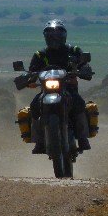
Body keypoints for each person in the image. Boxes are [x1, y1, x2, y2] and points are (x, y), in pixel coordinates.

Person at [28, 19, 94, 154]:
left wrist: (84, 69)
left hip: (68, 89)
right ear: (46, 37)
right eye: (51, 36)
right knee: (34, 106)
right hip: (46, 91)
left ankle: (82, 139)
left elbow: (83, 64)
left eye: (57, 36)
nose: (54, 39)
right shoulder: (40, 55)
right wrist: (28, 77)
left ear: (63, 36)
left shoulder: (73, 50)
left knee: (79, 104)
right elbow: (31, 71)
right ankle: (39, 141)